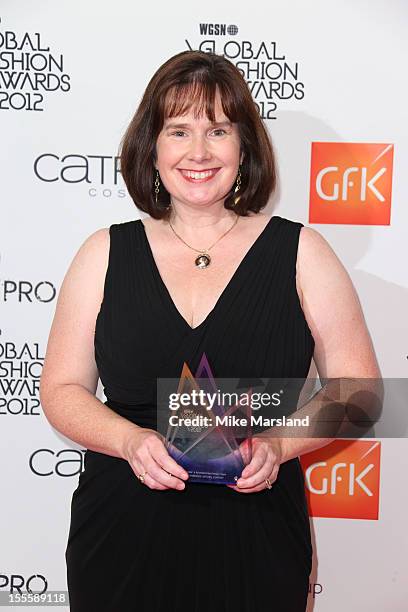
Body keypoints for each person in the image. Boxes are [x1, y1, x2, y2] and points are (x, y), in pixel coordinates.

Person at [40, 50, 380, 612]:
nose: (198, 153)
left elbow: (360, 391)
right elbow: (60, 390)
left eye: (217, 130)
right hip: (123, 531)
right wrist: (130, 441)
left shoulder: (302, 252)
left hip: (257, 529)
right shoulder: (103, 253)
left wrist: (278, 444)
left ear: (243, 148)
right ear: (152, 149)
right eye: (178, 131)